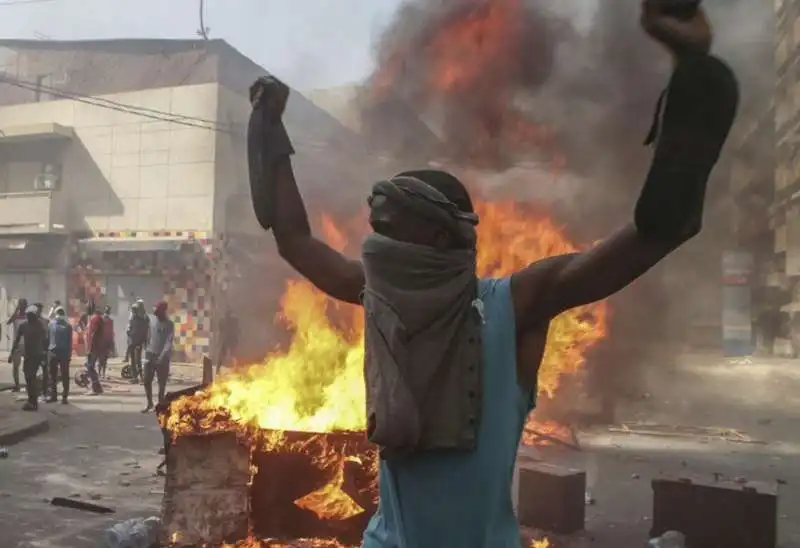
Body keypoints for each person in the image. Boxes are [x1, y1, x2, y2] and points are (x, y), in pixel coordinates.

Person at [246, 3, 738, 546]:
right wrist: (267, 134)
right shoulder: (380, 298)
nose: (382, 245)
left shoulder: (515, 304)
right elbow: (293, 238)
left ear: (440, 238)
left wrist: (695, 78)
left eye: (398, 228)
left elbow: (655, 233)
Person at [8, 306, 48, 411]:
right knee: (28, 377)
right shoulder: (24, 325)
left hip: (37, 355)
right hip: (29, 355)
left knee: (31, 376)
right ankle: (32, 400)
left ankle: (33, 401)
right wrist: (12, 353)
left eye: (32, 316)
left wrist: (45, 354)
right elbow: (16, 340)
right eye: (29, 316)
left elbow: (45, 340)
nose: (31, 318)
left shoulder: (40, 325)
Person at [142, 301, 174, 413]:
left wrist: (163, 355)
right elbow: (147, 335)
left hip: (163, 357)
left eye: (158, 313)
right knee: (146, 380)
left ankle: (160, 403)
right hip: (150, 354)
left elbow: (169, 342)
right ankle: (149, 403)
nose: (156, 315)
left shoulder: (169, 324)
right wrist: (145, 348)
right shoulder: (151, 320)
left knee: (162, 383)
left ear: (163, 312)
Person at [47, 307, 73, 404]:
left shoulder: (68, 326)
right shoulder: (51, 325)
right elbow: (48, 338)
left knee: (65, 375)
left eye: (61, 312)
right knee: (52, 376)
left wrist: (69, 354)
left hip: (64, 353)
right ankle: (53, 396)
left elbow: (70, 342)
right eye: (58, 312)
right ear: (55, 313)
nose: (60, 314)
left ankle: (64, 397)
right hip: (52, 352)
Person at [5, 298, 28, 392]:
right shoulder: (16, 317)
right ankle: (17, 385)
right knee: (15, 367)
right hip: (18, 344)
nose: (22, 307)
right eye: (20, 305)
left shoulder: (28, 317)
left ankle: (26, 385)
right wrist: (16, 311)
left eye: (23, 305)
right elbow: (8, 322)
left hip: (25, 344)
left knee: (26, 368)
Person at [126, 300, 149, 383]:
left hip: (135, 341)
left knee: (135, 359)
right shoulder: (144, 318)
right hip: (137, 341)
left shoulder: (137, 319)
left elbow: (131, 330)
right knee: (136, 359)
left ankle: (136, 377)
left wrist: (129, 332)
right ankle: (139, 377)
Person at [84, 303, 104, 395]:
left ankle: (95, 388)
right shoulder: (96, 318)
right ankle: (97, 388)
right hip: (94, 346)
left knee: (90, 366)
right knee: (90, 366)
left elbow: (92, 334)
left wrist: (89, 348)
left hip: (93, 347)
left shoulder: (95, 318)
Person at [216, 308, 239, 375]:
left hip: (230, 339)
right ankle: (218, 370)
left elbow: (221, 329)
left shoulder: (233, 320)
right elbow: (220, 329)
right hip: (227, 340)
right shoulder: (232, 320)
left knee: (232, 355)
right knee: (223, 355)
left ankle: (234, 370)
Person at [97, 305, 115, 378]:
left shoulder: (104, 320)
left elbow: (111, 333)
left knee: (102, 359)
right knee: (103, 359)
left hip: (104, 342)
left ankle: (101, 373)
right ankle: (101, 373)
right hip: (104, 342)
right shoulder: (107, 321)